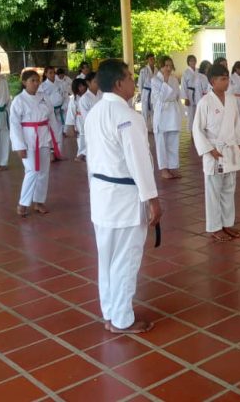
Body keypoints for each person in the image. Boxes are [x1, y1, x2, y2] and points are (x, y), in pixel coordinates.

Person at [85, 59, 161, 334]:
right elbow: (139, 161)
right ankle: (122, 319)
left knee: (107, 257)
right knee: (126, 258)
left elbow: (91, 159)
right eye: (130, 77)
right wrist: (152, 198)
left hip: (102, 195)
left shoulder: (94, 113)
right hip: (126, 197)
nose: (133, 81)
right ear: (119, 83)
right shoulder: (128, 116)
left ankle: (111, 311)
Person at [193, 63, 240, 243]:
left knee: (229, 189)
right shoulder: (205, 102)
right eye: (223, 79)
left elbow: (236, 123)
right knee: (214, 191)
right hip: (214, 151)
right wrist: (209, 149)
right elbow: (197, 129)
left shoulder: (231, 99)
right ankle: (215, 227)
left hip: (229, 150)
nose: (227, 82)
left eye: (227, 78)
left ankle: (227, 223)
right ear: (212, 81)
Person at [9, 69, 61, 217]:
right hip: (28, 139)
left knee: (44, 171)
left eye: (37, 80)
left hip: (44, 137)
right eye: (32, 80)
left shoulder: (44, 97)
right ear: (24, 82)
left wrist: (55, 140)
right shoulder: (19, 100)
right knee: (32, 170)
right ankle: (23, 203)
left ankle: (39, 201)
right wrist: (19, 146)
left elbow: (51, 118)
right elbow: (14, 124)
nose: (36, 83)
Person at [151, 56, 182, 180]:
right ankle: (164, 169)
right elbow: (160, 98)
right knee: (161, 142)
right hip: (162, 113)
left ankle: (172, 167)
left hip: (173, 112)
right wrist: (164, 81)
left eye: (170, 65)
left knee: (173, 141)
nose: (168, 68)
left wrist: (180, 111)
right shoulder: (155, 80)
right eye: (166, 66)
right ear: (161, 66)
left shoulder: (174, 79)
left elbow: (177, 96)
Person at [39, 66, 67, 156]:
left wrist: (64, 106)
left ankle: (58, 153)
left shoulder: (60, 83)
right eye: (50, 73)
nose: (52, 75)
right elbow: (40, 100)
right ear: (46, 74)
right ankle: (50, 153)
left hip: (60, 110)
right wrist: (46, 111)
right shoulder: (42, 86)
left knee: (59, 132)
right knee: (48, 133)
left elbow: (66, 96)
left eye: (53, 73)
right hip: (49, 113)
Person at [65, 78, 88, 162]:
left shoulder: (88, 96)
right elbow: (71, 113)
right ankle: (80, 154)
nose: (82, 88)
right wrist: (71, 127)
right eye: (79, 86)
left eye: (83, 85)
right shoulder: (73, 99)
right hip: (79, 120)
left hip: (88, 118)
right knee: (81, 136)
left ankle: (86, 154)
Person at [137, 53, 156, 132]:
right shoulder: (143, 70)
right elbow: (140, 83)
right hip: (146, 92)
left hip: (154, 93)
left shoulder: (157, 70)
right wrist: (141, 94)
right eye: (150, 59)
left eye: (153, 59)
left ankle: (153, 127)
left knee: (153, 110)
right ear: (147, 60)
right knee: (145, 111)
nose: (152, 60)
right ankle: (144, 128)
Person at [181, 54, 199, 132]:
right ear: (188, 62)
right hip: (190, 93)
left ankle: (197, 131)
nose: (193, 62)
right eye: (191, 60)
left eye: (194, 60)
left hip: (198, 93)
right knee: (190, 114)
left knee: (198, 113)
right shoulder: (186, 72)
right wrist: (185, 98)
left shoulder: (198, 71)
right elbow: (183, 85)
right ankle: (191, 132)